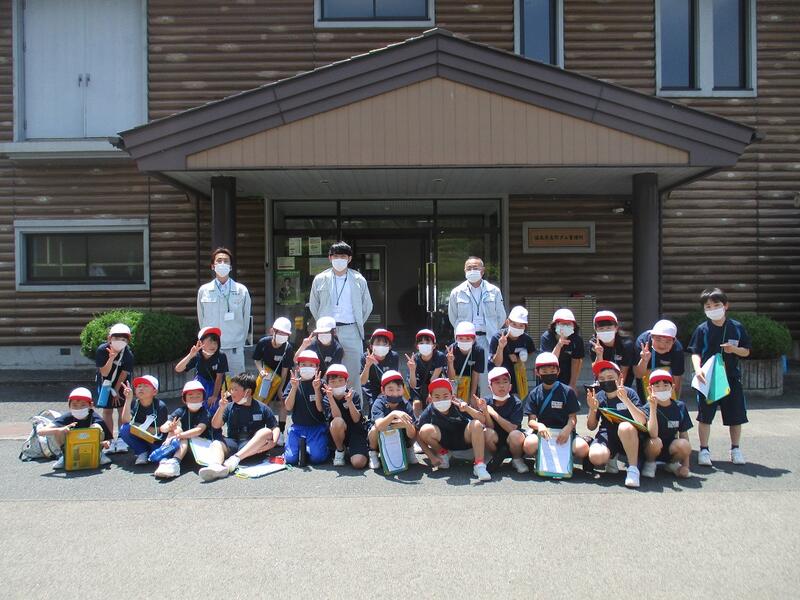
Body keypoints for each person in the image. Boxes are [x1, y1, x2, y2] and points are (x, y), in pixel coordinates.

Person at [688, 287, 751, 467]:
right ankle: (704, 450)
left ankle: (735, 449)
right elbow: (695, 352)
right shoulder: (702, 329)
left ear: (725, 305)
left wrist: (734, 350)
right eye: (708, 306)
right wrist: (697, 369)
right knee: (705, 416)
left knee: (736, 416)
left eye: (716, 305)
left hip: (731, 378)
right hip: (708, 378)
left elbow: (746, 351)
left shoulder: (737, 327)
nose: (712, 309)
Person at [309, 241, 373, 399]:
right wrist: (324, 326)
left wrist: (356, 323)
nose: (339, 259)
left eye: (343, 257)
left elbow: (367, 306)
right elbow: (314, 305)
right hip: (327, 332)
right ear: (330, 258)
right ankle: (327, 407)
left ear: (349, 259)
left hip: (351, 330)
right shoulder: (320, 279)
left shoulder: (359, 279)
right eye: (336, 256)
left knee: (353, 373)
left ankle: (354, 409)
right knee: (326, 372)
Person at [198, 373, 280, 481]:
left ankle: (235, 459)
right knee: (216, 443)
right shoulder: (229, 407)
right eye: (231, 389)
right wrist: (221, 408)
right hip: (234, 443)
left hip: (253, 448)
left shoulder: (262, 408)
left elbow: (275, 427)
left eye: (235, 389)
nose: (231, 392)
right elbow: (215, 425)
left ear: (248, 392)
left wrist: (274, 442)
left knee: (266, 432)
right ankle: (216, 467)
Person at [585, 361, 648, 488]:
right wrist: (592, 409)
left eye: (610, 377)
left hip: (630, 435)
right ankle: (611, 456)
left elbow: (642, 421)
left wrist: (626, 400)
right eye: (602, 379)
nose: (606, 381)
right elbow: (591, 426)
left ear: (619, 377)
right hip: (608, 435)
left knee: (625, 427)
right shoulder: (598, 396)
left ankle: (633, 469)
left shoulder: (629, 393)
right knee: (596, 457)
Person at [522, 353, 590, 471]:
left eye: (552, 370)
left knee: (582, 449)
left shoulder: (568, 391)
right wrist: (539, 426)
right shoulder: (534, 393)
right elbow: (531, 421)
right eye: (544, 371)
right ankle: (539, 457)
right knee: (529, 445)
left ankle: (566, 457)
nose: (549, 373)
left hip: (565, 432)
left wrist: (568, 428)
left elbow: (573, 417)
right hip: (544, 433)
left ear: (558, 371)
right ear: (537, 372)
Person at [448, 256, 506, 392]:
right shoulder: (457, 292)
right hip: (465, 340)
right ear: (464, 271)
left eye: (475, 268)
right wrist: (463, 334)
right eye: (469, 268)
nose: (472, 270)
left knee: (486, 378)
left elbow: (501, 316)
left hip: (487, 339)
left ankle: (486, 403)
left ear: (483, 271)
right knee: (464, 376)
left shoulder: (494, 291)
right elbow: (453, 317)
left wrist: (492, 330)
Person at [416, 378, 491, 481]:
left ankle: (479, 465)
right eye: (437, 397)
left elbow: (483, 420)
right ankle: (443, 455)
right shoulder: (430, 410)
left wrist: (467, 408)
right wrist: (431, 456)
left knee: (477, 424)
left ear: (452, 396)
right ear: (430, 398)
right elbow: (417, 432)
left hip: (465, 442)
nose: (441, 400)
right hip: (446, 444)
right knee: (425, 430)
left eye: (445, 396)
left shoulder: (458, 404)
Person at [197, 247, 252, 376]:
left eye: (226, 261)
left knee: (236, 384)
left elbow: (245, 321)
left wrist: (239, 341)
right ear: (213, 266)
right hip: (210, 348)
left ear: (231, 267)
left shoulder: (241, 290)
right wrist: (206, 342)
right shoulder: (204, 290)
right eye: (219, 260)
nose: (222, 263)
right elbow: (201, 318)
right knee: (211, 384)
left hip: (234, 349)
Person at [39, 387, 112, 469]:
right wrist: (60, 429)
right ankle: (65, 455)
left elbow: (108, 439)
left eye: (83, 405)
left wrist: (105, 443)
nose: (79, 408)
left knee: (96, 427)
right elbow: (41, 432)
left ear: (91, 405)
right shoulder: (67, 417)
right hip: (72, 449)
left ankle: (98, 454)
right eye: (74, 405)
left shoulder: (96, 418)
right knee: (59, 430)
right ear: (69, 405)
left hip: (91, 448)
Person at [153, 380, 211, 479]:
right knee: (175, 429)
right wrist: (170, 427)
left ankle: (174, 462)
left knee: (180, 433)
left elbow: (199, 430)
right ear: (184, 399)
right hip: (182, 447)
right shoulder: (181, 411)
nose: (194, 399)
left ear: (203, 398)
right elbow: (163, 428)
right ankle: (165, 462)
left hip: (200, 447)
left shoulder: (205, 413)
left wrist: (179, 435)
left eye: (198, 396)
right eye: (191, 396)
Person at [641, 370, 692, 479]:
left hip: (670, 447)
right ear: (650, 389)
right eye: (657, 386)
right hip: (651, 447)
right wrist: (653, 408)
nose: (662, 389)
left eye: (665, 385)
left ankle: (672, 463)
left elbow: (684, 434)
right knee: (655, 441)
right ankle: (650, 463)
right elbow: (653, 434)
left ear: (672, 387)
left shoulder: (680, 406)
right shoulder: (647, 407)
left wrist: (686, 465)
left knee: (684, 444)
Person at [283, 350, 330, 466]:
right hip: (297, 428)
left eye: (311, 365)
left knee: (317, 458)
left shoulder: (321, 383)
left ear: (317, 368)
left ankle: (312, 447)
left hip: (316, 427)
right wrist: (294, 388)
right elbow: (288, 407)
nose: (307, 368)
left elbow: (320, 409)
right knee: (291, 459)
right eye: (303, 365)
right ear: (298, 367)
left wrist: (316, 389)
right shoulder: (293, 383)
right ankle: (301, 447)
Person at [252, 316, 295, 442]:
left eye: (285, 334)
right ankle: (263, 430)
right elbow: (257, 359)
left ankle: (280, 431)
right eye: (280, 332)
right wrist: (261, 371)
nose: (282, 335)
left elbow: (285, 370)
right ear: (273, 331)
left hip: (282, 378)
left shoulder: (288, 348)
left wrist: (281, 388)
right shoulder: (263, 342)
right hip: (266, 377)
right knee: (264, 401)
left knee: (282, 402)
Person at [95, 322, 134, 455]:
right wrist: (111, 358)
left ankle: (122, 438)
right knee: (107, 410)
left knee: (122, 408)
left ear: (127, 341)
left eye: (123, 339)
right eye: (116, 338)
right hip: (105, 382)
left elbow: (124, 374)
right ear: (109, 338)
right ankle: (109, 439)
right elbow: (104, 372)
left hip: (121, 383)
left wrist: (116, 390)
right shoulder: (102, 350)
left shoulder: (128, 354)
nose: (119, 341)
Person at [367, 370, 418, 470]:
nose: (395, 393)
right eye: (390, 389)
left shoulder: (406, 404)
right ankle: (373, 454)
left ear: (403, 389)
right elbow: (380, 426)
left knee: (415, 427)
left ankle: (409, 449)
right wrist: (393, 414)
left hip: (401, 438)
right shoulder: (379, 403)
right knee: (374, 429)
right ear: (383, 390)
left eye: (398, 389)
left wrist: (407, 425)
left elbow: (412, 434)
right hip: (382, 437)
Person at [482, 367, 528, 474]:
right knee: (486, 432)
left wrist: (493, 413)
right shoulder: (486, 401)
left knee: (515, 434)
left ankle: (517, 459)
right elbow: (489, 426)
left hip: (514, 443)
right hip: (495, 440)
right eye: (497, 382)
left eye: (505, 382)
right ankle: (494, 457)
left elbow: (512, 428)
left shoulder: (516, 403)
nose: (502, 385)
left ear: (510, 386)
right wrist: (485, 411)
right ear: (490, 387)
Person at [322, 364, 369, 469]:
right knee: (337, 421)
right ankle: (340, 450)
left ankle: (357, 451)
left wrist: (350, 402)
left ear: (346, 382)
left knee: (358, 463)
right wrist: (331, 398)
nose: (337, 384)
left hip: (355, 432)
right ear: (327, 384)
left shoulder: (353, 395)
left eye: (340, 381)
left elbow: (356, 419)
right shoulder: (326, 398)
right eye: (333, 382)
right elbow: (337, 417)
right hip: (338, 433)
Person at [174, 327, 229, 411]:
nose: (213, 345)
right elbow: (178, 369)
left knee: (215, 408)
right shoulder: (197, 355)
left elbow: (219, 378)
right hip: (200, 384)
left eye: (215, 342)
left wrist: (214, 396)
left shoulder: (221, 356)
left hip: (216, 386)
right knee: (197, 407)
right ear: (200, 342)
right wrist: (190, 355)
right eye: (210, 342)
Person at [119, 375, 169, 466]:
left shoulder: (160, 406)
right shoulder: (135, 403)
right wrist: (128, 399)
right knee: (124, 429)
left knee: (157, 458)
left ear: (155, 392)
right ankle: (142, 452)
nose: (141, 388)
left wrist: (137, 425)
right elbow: (125, 421)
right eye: (139, 386)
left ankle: (150, 452)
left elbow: (157, 430)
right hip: (142, 436)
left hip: (156, 440)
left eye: (146, 386)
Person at [633, 319, 685, 401]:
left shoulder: (677, 349)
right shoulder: (642, 342)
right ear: (652, 336)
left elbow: (677, 379)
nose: (662, 345)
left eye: (667, 342)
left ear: (674, 341)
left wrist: (675, 402)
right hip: (646, 377)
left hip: (667, 378)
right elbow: (638, 375)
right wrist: (644, 360)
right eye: (658, 340)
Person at [489, 306, 536, 397]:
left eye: (521, 325)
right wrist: (500, 347)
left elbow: (531, 356)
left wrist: (520, 359)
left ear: (525, 326)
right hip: (499, 381)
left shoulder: (527, 339)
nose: (517, 328)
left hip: (518, 381)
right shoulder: (497, 337)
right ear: (507, 322)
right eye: (514, 324)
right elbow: (497, 363)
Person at [540, 308, 585, 390]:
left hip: (567, 372)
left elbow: (577, 361)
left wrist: (573, 384)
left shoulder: (577, 339)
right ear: (555, 325)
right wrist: (559, 345)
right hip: (548, 373)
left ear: (574, 326)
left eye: (569, 324)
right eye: (563, 324)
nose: (566, 326)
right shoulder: (546, 337)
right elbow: (548, 362)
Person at [588, 310, 636, 387]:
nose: (605, 331)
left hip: (622, 385)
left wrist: (616, 389)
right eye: (601, 329)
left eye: (608, 328)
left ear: (616, 328)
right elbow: (596, 371)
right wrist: (599, 355)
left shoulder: (626, 345)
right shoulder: (594, 344)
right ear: (596, 330)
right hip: (602, 383)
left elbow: (624, 371)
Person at [407, 329, 447, 417]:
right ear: (417, 346)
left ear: (434, 346)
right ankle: (417, 422)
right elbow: (413, 385)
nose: (424, 345)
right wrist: (412, 370)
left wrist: (430, 394)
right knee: (416, 404)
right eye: (421, 343)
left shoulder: (440, 356)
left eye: (428, 342)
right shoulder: (414, 359)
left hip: (435, 385)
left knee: (433, 404)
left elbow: (434, 378)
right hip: (419, 387)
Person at [360, 328, 400, 410]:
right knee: (375, 405)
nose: (381, 346)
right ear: (371, 346)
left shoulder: (394, 356)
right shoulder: (365, 357)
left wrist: (384, 392)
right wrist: (367, 366)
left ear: (389, 347)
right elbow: (362, 381)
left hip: (388, 385)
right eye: (378, 343)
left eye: (384, 343)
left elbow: (394, 379)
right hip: (372, 388)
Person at [446, 321, 485, 403]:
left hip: (471, 385)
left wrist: (473, 396)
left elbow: (476, 374)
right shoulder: (451, 350)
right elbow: (451, 378)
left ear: (474, 339)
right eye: (460, 338)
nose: (464, 341)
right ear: (456, 338)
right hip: (454, 386)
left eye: (468, 338)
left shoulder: (479, 351)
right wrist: (450, 363)